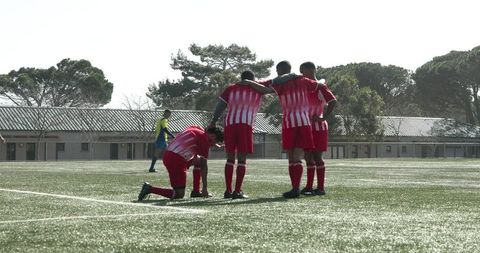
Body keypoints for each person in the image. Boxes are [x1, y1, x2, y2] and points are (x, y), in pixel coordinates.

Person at [242, 61, 323, 198]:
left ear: (280, 70)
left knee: (292, 157)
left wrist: (249, 83)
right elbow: (318, 84)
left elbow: (265, 89)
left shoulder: (279, 82)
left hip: (290, 122)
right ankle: (297, 188)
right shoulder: (303, 79)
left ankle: (295, 188)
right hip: (304, 122)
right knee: (297, 156)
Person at [210, 70, 271, 199]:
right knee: (242, 159)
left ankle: (228, 190)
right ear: (253, 79)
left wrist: (213, 121)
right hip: (245, 124)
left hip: (230, 124)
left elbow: (220, 105)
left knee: (230, 158)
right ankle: (237, 191)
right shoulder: (258, 86)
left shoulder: (231, 88)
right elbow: (274, 85)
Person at [137, 126, 224, 200]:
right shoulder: (204, 140)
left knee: (199, 161)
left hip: (169, 155)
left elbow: (196, 138)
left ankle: (196, 191)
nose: (213, 145)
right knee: (179, 194)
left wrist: (212, 143)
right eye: (215, 141)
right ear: (212, 136)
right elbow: (204, 166)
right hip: (177, 160)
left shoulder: (197, 129)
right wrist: (205, 188)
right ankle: (150, 189)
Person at [299, 61, 337, 196]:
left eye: (303, 71)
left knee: (317, 157)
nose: (302, 75)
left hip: (318, 127)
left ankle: (320, 188)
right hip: (306, 126)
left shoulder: (320, 86)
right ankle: (309, 186)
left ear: (311, 70)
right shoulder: (304, 87)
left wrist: (323, 117)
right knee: (308, 156)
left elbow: (332, 101)